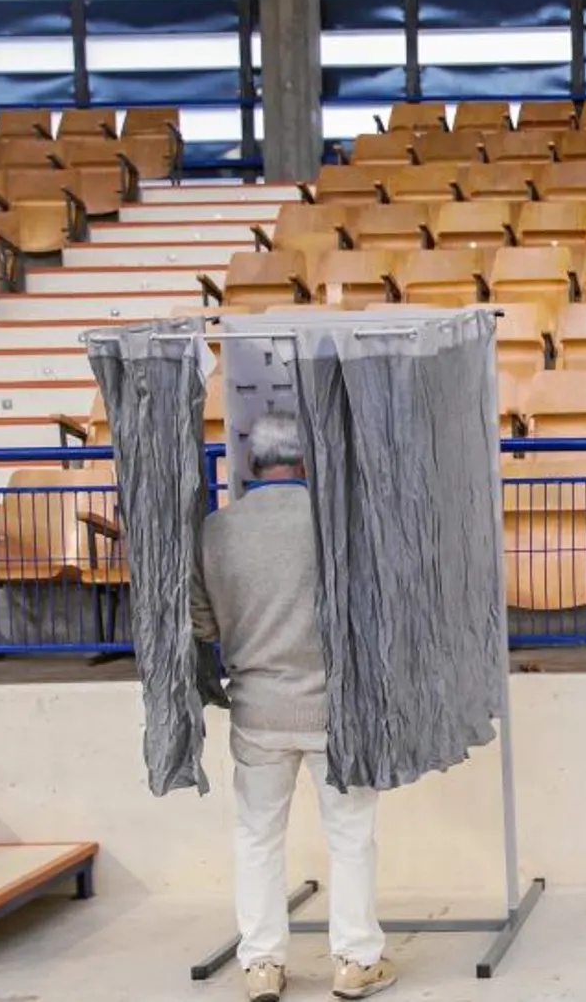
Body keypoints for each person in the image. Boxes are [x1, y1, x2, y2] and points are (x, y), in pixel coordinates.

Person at [191, 412, 397, 1002]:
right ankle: (356, 962)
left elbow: (202, 623)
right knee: (352, 836)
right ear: (308, 461)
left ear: (252, 464)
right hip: (334, 711)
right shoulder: (336, 528)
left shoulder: (215, 531)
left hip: (257, 712)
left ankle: (261, 966)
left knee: (257, 837)